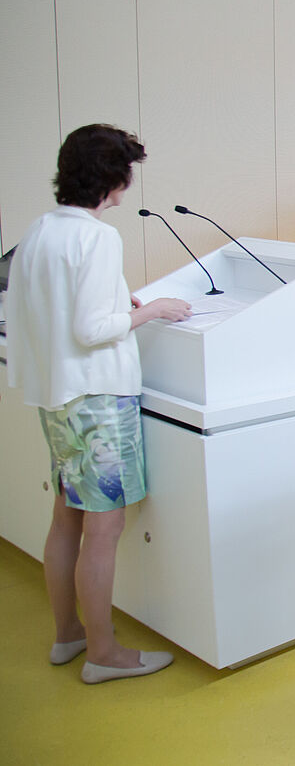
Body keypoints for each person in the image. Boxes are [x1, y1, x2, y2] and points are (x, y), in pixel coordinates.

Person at [8, 125, 191, 683]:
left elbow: (49, 308)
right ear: (111, 178)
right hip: (99, 402)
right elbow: (92, 329)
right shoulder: (97, 236)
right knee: (104, 529)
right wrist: (149, 309)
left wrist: (119, 301)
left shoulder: (41, 229)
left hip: (58, 398)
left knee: (66, 516)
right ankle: (104, 653)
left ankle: (68, 635)